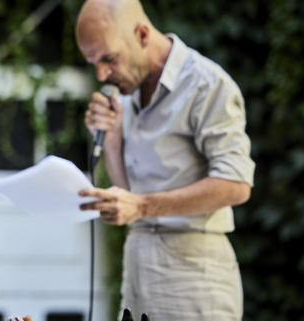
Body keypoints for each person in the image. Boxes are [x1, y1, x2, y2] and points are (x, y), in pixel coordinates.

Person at [75, 0, 255, 320]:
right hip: (138, 259)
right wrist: (112, 138)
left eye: (109, 59)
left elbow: (237, 184)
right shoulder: (125, 92)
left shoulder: (207, 84)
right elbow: (128, 191)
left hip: (193, 267)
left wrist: (142, 206)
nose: (102, 73)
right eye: (93, 63)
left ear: (142, 34)